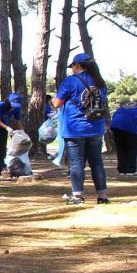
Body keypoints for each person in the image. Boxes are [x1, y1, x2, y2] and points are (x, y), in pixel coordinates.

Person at [52, 52, 110, 204]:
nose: (72, 69)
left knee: (77, 163)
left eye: (73, 66)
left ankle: (78, 196)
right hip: (96, 127)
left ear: (77, 65)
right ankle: (102, 197)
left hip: (75, 128)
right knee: (97, 163)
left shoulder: (71, 81)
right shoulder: (100, 82)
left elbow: (57, 103)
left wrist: (53, 100)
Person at [109, 94, 137, 176]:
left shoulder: (130, 104)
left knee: (121, 148)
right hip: (129, 125)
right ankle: (130, 170)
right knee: (131, 148)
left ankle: (122, 170)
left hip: (115, 124)